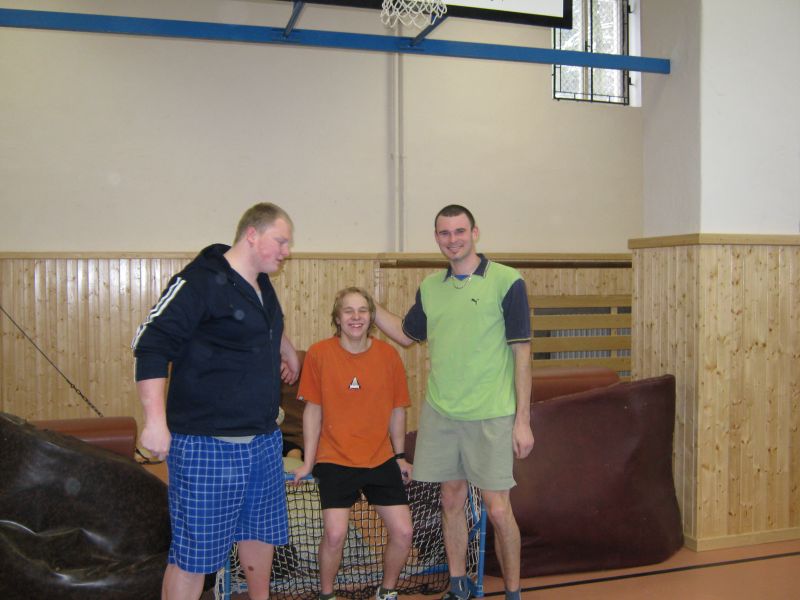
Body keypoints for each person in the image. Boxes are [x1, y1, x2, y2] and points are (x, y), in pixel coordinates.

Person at [132, 202, 300, 600]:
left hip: (263, 442)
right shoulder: (198, 282)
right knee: (195, 558)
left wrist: (286, 348)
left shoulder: (261, 281)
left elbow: (264, 322)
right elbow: (150, 344)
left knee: (261, 536)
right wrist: (155, 422)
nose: (287, 251)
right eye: (281, 241)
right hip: (206, 446)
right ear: (252, 235)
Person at [374, 205, 534, 600]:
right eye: (444, 233)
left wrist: (522, 420)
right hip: (442, 414)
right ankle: (459, 585)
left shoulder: (507, 281)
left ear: (474, 233)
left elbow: (522, 354)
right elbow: (407, 334)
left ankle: (513, 592)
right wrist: (368, 306)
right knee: (450, 498)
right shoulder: (431, 287)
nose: (453, 240)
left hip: (491, 413)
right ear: (437, 238)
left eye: (460, 231)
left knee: (498, 509)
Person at [292, 287, 413, 600]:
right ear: (337, 317)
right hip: (334, 458)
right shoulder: (319, 353)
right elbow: (313, 410)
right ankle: (327, 594)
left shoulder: (389, 356)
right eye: (348, 311)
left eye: (362, 310)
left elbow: (397, 410)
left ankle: (386, 591)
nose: (356, 317)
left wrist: (399, 456)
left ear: (371, 317)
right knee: (335, 534)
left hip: (380, 458)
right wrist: (308, 461)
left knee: (403, 532)